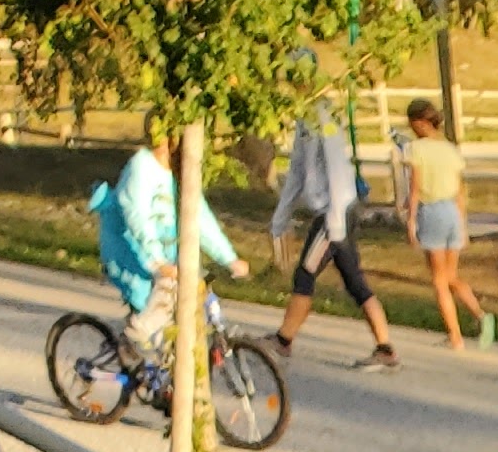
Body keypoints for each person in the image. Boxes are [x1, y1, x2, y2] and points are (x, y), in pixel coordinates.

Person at [87, 120, 240, 363]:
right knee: (160, 309)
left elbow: (199, 218)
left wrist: (229, 258)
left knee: (177, 308)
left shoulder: (181, 174)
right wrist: (157, 262)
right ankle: (134, 340)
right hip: (129, 251)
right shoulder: (141, 166)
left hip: (161, 258)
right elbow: (137, 217)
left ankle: (154, 365)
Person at [270, 103, 401, 369]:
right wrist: (280, 217)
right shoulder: (304, 118)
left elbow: (337, 167)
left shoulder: (322, 117)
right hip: (330, 211)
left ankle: (283, 340)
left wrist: (336, 220)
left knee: (305, 274)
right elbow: (297, 171)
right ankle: (385, 348)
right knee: (354, 280)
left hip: (333, 212)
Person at [403, 96, 491, 351]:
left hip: (431, 211)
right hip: (452, 212)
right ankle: (480, 314)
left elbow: (415, 187)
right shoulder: (450, 149)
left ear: (420, 123)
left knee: (439, 281)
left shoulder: (416, 149)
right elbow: (460, 190)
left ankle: (455, 336)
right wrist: (463, 225)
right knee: (451, 275)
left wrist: (411, 220)